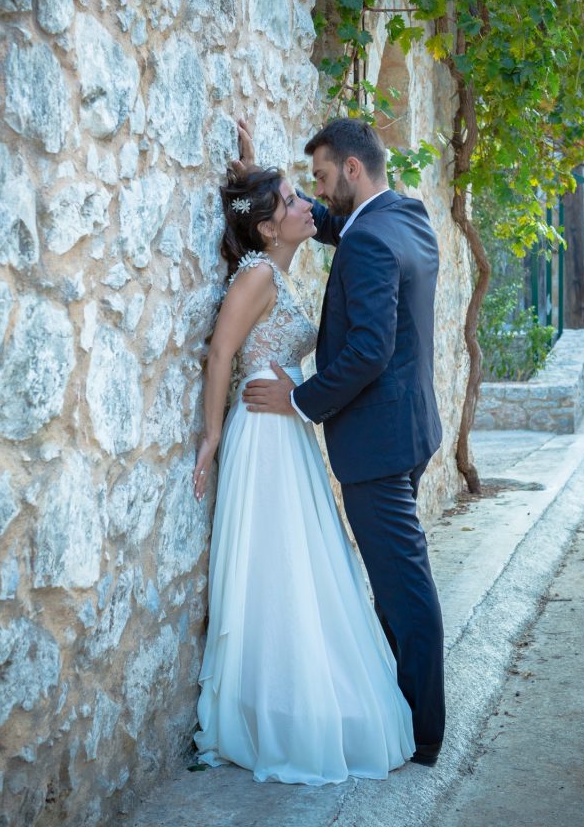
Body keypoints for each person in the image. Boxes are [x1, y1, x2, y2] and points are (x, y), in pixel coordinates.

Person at [192, 132, 415, 785]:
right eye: (293, 199)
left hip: (287, 430)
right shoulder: (259, 273)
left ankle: (297, 698)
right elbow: (219, 354)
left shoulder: (274, 266)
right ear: (267, 227)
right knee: (276, 568)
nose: (307, 207)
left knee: (296, 566)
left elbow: (297, 216)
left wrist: (252, 159)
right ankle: (276, 710)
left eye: (302, 190)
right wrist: (210, 438)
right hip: (262, 439)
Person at [242, 118, 446, 767]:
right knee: (398, 577)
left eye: (325, 179)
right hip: (411, 429)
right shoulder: (404, 217)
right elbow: (335, 227)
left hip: (378, 445)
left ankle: (421, 730)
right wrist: (261, 182)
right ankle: (406, 706)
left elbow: (367, 351)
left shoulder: (368, 244)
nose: (318, 195)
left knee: (400, 584)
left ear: (353, 171)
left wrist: (298, 400)